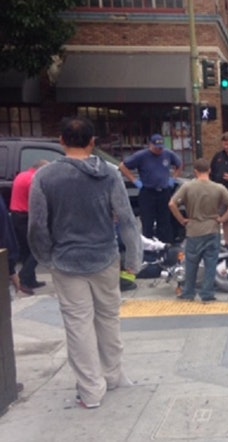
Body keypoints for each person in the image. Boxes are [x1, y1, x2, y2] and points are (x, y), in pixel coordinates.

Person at [28, 116, 142, 409]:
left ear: (61, 141)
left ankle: (91, 390)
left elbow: (37, 225)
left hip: (66, 260)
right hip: (104, 256)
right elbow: (127, 219)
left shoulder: (45, 177)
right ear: (93, 142)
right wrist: (133, 259)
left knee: (78, 325)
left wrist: (46, 257)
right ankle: (114, 374)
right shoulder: (110, 173)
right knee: (108, 318)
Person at [169, 158, 228, 302]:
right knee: (210, 263)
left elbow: (172, 204)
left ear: (195, 171)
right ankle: (207, 293)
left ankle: (188, 292)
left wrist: (182, 219)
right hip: (212, 228)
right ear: (209, 170)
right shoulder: (218, 188)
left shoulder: (188, 187)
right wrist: (223, 219)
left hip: (193, 229)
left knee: (191, 264)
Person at [119, 134, 182, 243]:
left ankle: (165, 245)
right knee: (147, 221)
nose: (159, 150)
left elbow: (179, 164)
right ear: (151, 145)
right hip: (148, 192)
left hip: (163, 191)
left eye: (161, 147)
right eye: (157, 148)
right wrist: (135, 181)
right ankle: (149, 247)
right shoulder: (141, 156)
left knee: (165, 221)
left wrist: (173, 179)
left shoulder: (168, 154)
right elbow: (122, 166)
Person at [10, 159, 48, 293]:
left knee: (27, 249)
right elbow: (37, 201)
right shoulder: (33, 180)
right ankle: (23, 277)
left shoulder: (22, 175)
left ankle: (30, 280)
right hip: (26, 216)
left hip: (16, 215)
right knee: (39, 249)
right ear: (40, 169)